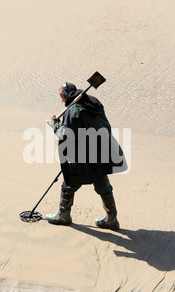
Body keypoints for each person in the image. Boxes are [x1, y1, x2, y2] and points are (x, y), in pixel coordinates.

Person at [45, 82, 127, 231]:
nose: (62, 102)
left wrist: (55, 125)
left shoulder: (74, 111)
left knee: (69, 182)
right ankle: (111, 218)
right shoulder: (92, 102)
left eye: (62, 98)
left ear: (66, 96)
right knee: (102, 183)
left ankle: (63, 216)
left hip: (85, 154)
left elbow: (66, 135)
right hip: (102, 149)